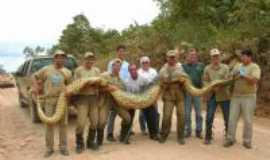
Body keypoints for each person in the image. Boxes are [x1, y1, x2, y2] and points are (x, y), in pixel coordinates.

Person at [32, 50, 72, 157]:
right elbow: (35, 76)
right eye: (58, 57)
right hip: (49, 100)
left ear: (64, 59)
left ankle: (63, 147)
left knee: (63, 125)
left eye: (62, 57)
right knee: (49, 125)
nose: (60, 59)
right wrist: (36, 87)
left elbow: (69, 86)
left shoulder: (67, 72)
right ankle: (49, 148)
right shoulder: (46, 69)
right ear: (54, 59)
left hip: (62, 101)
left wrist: (68, 94)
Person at [224, 49, 261, 149]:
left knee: (248, 120)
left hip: (249, 97)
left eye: (245, 56)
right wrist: (231, 75)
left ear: (250, 57)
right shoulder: (238, 65)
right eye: (242, 56)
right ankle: (230, 139)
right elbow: (230, 75)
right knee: (232, 119)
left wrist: (243, 75)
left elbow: (255, 80)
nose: (243, 58)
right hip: (236, 96)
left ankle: (247, 141)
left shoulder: (254, 67)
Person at [73, 52, 101, 153]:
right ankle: (79, 144)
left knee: (94, 122)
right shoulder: (78, 70)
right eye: (88, 59)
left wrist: (95, 84)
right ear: (84, 60)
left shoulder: (96, 70)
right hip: (82, 98)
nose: (90, 61)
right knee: (81, 123)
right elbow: (75, 85)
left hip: (93, 98)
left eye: (92, 59)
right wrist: (84, 84)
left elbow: (100, 83)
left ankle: (90, 142)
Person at [203, 48, 231, 145]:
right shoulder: (207, 68)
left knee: (227, 117)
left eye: (217, 56)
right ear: (211, 58)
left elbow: (228, 80)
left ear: (219, 57)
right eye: (214, 56)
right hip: (212, 95)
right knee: (209, 116)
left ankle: (228, 136)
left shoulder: (226, 68)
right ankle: (208, 136)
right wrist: (211, 87)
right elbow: (205, 81)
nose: (215, 58)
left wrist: (219, 85)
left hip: (224, 95)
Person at [101, 58, 132, 144]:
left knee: (127, 118)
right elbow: (98, 87)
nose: (117, 67)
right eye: (116, 65)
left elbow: (124, 91)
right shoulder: (104, 75)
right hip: (106, 101)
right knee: (102, 121)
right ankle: (101, 140)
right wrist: (108, 88)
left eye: (119, 66)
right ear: (112, 66)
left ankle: (123, 136)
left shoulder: (120, 80)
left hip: (116, 103)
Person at [159, 50, 187, 144]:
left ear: (176, 58)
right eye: (170, 57)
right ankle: (164, 134)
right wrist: (165, 84)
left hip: (180, 94)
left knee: (182, 115)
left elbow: (185, 78)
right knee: (166, 116)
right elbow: (160, 83)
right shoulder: (163, 69)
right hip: (168, 94)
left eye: (173, 57)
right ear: (167, 58)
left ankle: (181, 136)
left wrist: (183, 80)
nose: (172, 59)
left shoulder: (180, 67)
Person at [107, 45, 130, 142]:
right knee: (112, 114)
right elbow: (108, 76)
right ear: (117, 52)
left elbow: (128, 79)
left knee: (126, 115)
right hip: (112, 92)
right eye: (120, 51)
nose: (122, 53)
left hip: (123, 91)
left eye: (123, 51)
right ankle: (109, 134)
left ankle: (123, 134)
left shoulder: (127, 64)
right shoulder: (111, 63)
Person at [182, 48, 204, 138]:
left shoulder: (201, 65)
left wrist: (204, 90)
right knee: (187, 113)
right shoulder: (183, 66)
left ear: (196, 57)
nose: (192, 57)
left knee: (198, 113)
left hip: (197, 92)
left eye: (194, 56)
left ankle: (199, 131)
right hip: (187, 92)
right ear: (187, 57)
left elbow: (204, 78)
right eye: (190, 56)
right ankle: (188, 130)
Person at [138, 56, 160, 140]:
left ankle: (155, 130)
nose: (145, 64)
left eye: (146, 62)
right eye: (143, 62)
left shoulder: (153, 71)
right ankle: (143, 129)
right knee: (142, 114)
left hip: (153, 95)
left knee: (155, 113)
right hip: (143, 95)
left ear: (149, 63)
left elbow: (157, 82)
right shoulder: (138, 72)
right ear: (141, 64)